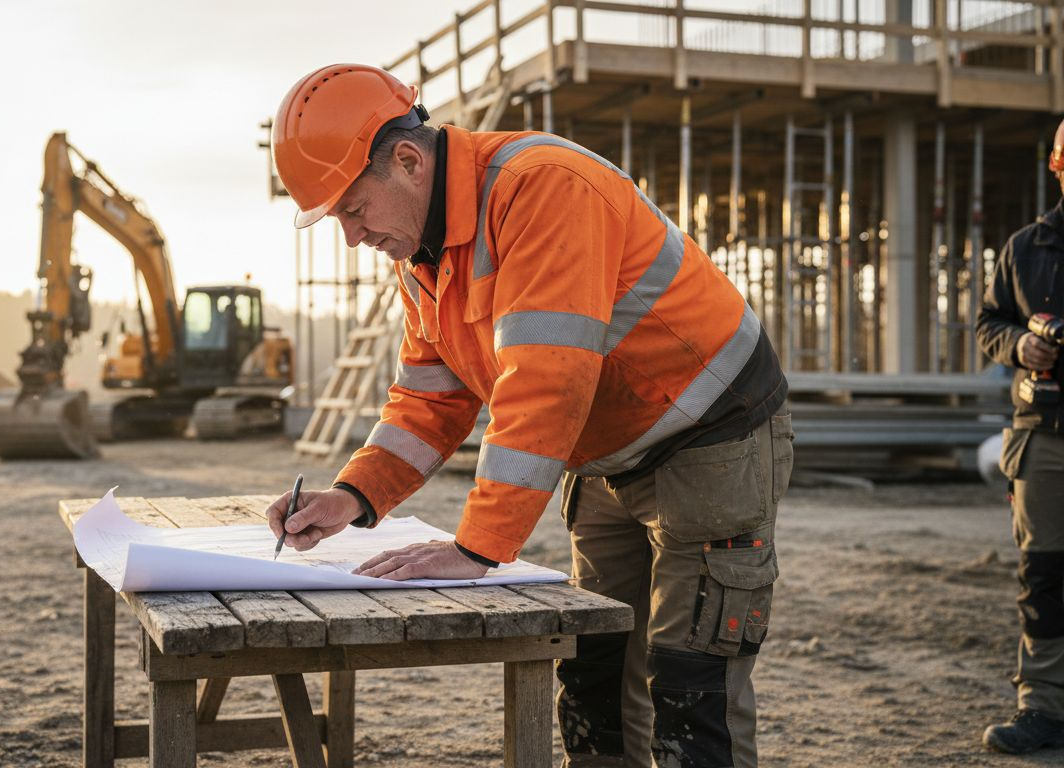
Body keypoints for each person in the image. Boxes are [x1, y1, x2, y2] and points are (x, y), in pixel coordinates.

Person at [265, 64, 792, 768]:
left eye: (354, 210)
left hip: (710, 434)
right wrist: (352, 496)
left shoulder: (543, 187)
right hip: (607, 457)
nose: (354, 237)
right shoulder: (422, 253)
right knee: (594, 668)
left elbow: (548, 380)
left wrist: (477, 548)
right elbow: (429, 398)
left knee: (690, 685)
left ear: (409, 161)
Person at [976, 117, 1064, 755]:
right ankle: (1044, 707)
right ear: (1058, 166)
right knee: (1044, 574)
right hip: (1045, 434)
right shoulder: (1027, 249)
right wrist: (1018, 345)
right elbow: (988, 322)